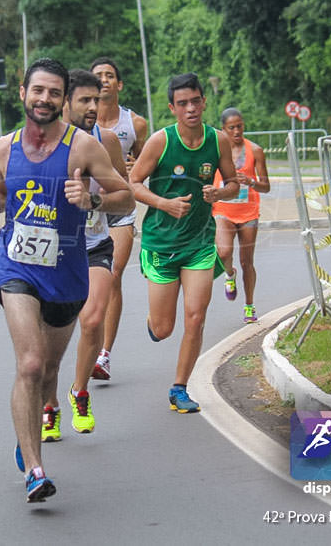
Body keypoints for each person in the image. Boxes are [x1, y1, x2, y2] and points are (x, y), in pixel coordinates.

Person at [0, 58, 132, 503]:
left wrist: (91, 199)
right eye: (37, 90)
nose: (44, 99)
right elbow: (0, 190)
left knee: (47, 370)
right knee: (29, 364)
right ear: (22, 93)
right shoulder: (2, 148)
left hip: (67, 274)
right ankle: (35, 468)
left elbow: (122, 192)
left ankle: (41, 413)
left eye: (53, 93)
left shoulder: (83, 147)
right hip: (17, 268)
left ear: (62, 100)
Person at [129, 72, 238, 413]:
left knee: (196, 316)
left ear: (204, 102)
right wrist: (163, 203)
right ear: (172, 108)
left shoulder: (217, 140)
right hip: (161, 242)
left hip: (199, 242)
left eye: (195, 101)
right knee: (164, 328)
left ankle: (179, 389)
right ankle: (153, 322)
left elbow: (233, 183)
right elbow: (133, 182)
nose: (190, 108)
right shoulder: (161, 141)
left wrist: (219, 192)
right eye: (183, 104)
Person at [40, 69, 131, 442]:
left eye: (98, 99)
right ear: (65, 103)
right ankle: (49, 405)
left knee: (92, 319)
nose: (94, 106)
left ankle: (79, 392)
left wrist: (94, 200)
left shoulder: (105, 141)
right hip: (51, 253)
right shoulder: (44, 143)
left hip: (94, 244)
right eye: (85, 100)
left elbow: (124, 195)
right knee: (48, 340)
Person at [89, 57, 148, 382]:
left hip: (120, 210)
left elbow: (144, 163)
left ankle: (104, 354)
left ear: (119, 84)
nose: (105, 80)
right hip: (87, 212)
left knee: (112, 274)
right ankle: (89, 336)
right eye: (99, 76)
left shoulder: (134, 123)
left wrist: (132, 169)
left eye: (110, 75)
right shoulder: (79, 121)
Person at [212, 108, 270, 324]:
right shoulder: (216, 150)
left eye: (240, 126)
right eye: (231, 128)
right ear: (223, 129)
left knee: (248, 262)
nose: (236, 131)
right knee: (224, 251)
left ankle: (249, 305)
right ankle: (229, 274)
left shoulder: (255, 151)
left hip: (248, 212)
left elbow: (266, 186)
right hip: (223, 210)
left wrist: (251, 181)